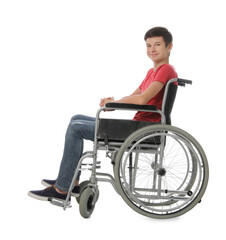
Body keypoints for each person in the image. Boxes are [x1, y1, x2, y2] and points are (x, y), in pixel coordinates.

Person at [28, 26, 178, 202]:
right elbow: (134, 95)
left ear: (169, 47)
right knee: (76, 118)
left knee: (76, 128)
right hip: (138, 127)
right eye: (148, 45)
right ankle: (71, 180)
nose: (152, 49)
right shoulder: (152, 72)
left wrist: (113, 104)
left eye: (157, 44)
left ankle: (62, 189)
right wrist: (113, 104)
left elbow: (142, 99)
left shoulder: (166, 70)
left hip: (143, 131)